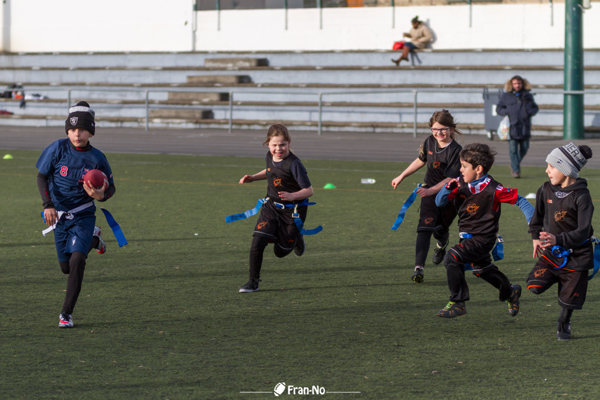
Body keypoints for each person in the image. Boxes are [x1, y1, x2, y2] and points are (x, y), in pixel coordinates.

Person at [36, 101, 115, 328]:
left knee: (78, 260)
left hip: (83, 215)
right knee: (66, 268)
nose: (76, 134)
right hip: (58, 215)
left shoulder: (98, 158)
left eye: (81, 129)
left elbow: (111, 188)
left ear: (90, 131)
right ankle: (94, 239)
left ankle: (66, 314)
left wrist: (102, 196)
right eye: (71, 129)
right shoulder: (57, 148)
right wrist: (47, 205)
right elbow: (41, 177)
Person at [435, 143, 534, 318]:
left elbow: (522, 201)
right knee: (483, 270)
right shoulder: (460, 184)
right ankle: (510, 291)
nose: (460, 170)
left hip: (483, 238)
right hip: (467, 239)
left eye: (464, 166)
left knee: (452, 257)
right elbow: (439, 202)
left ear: (478, 169)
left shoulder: (495, 189)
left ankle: (458, 302)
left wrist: (534, 226)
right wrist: (447, 188)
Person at [527, 143, 593, 341]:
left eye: (552, 166)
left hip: (578, 256)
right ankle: (562, 279)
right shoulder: (545, 189)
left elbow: (583, 231)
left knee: (568, 302)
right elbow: (536, 218)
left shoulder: (582, 196)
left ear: (565, 169)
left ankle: (564, 323)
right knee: (534, 286)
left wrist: (559, 239)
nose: (547, 170)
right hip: (552, 252)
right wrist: (535, 238)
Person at [237, 124, 314, 293]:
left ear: (288, 143)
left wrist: (293, 196)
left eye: (282, 144)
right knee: (257, 242)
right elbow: (270, 171)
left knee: (280, 252)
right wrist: (253, 177)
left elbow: (309, 190)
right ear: (267, 144)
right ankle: (253, 282)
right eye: (274, 145)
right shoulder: (269, 156)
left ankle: (296, 237)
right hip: (271, 207)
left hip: (293, 212)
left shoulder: (294, 164)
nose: (278, 149)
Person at [391, 110, 462, 284]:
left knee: (440, 229)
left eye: (443, 129)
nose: (438, 133)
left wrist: (433, 191)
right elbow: (420, 160)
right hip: (428, 192)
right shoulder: (430, 142)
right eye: (434, 129)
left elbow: (450, 178)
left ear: (451, 129)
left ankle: (442, 243)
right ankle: (419, 268)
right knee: (425, 226)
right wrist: (401, 176)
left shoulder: (456, 150)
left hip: (448, 195)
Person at [496, 75, 539, 178]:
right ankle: (516, 171)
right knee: (513, 150)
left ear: (522, 84)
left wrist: (529, 112)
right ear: (511, 84)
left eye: (519, 83)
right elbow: (499, 108)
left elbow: (535, 107)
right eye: (515, 83)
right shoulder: (506, 96)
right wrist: (508, 111)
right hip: (512, 127)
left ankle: (514, 164)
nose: (517, 85)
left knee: (525, 147)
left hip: (524, 126)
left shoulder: (527, 95)